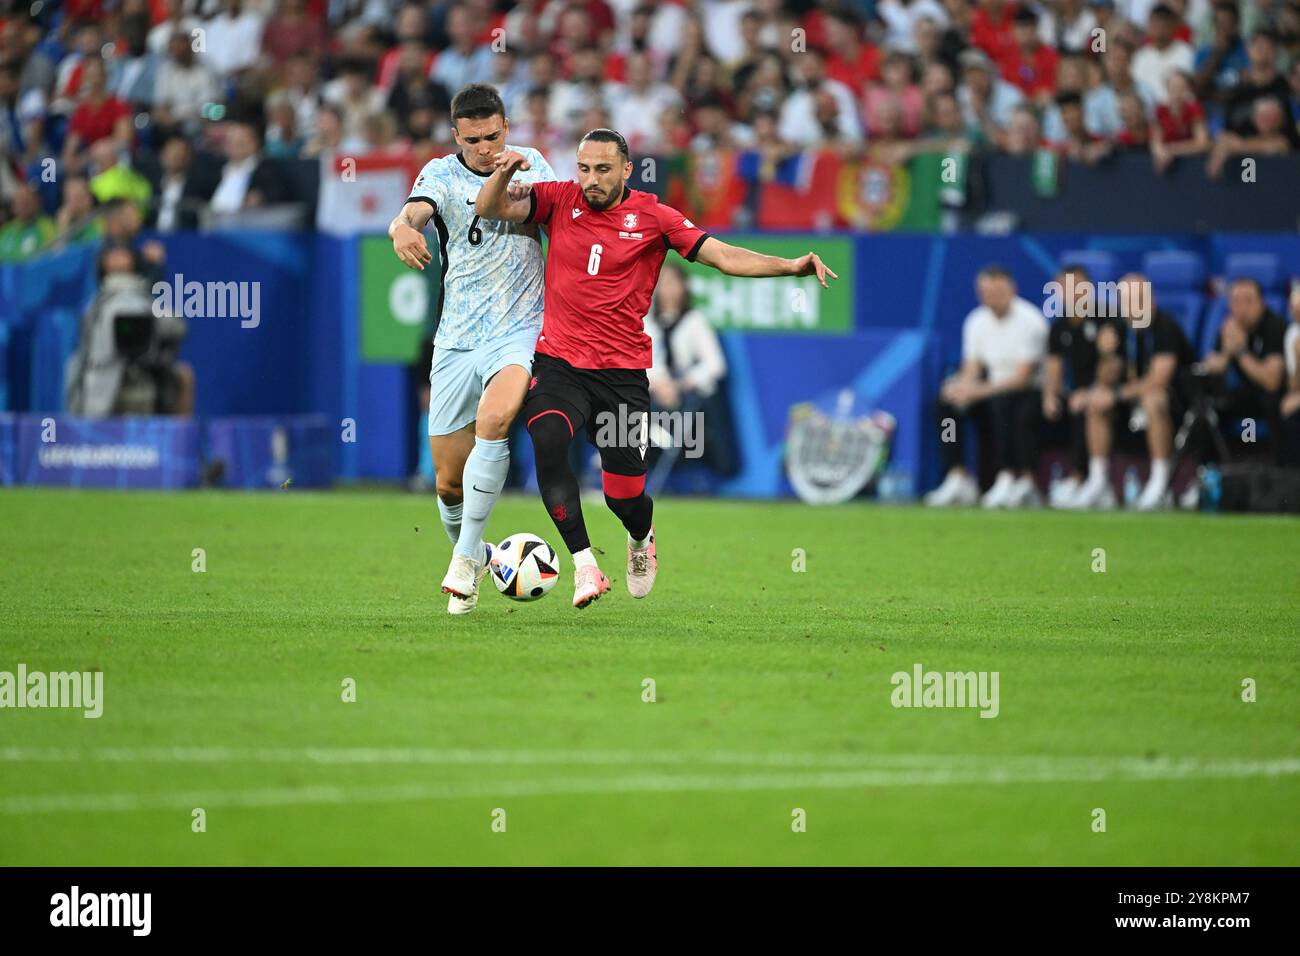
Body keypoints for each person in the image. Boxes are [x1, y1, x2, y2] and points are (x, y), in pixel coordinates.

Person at [475, 128, 837, 608]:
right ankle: (585, 566)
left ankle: (641, 539)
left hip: (621, 376)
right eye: (584, 168)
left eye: (603, 169)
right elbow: (489, 208)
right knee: (547, 440)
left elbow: (724, 256)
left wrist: (790, 267)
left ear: (627, 169)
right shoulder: (559, 200)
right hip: (560, 361)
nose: (591, 180)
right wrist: (501, 175)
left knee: (623, 496)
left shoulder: (654, 216)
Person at [388, 83, 557, 615]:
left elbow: (564, 218)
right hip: (457, 336)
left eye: (493, 135)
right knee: (447, 483)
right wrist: (399, 229)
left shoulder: (532, 166)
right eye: (473, 139)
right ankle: (478, 551)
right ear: (455, 135)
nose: (485, 147)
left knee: (497, 417)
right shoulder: (439, 173)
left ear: (506, 128)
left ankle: (463, 562)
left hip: (520, 327)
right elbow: (413, 213)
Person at [925, 266, 1048, 509]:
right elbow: (971, 367)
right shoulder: (976, 321)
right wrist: (960, 387)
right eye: (986, 292)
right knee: (947, 406)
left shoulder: (1031, 321)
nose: (992, 298)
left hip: (1026, 393)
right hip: (990, 390)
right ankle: (957, 474)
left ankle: (1007, 475)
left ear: (1013, 290)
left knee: (1002, 404)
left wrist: (978, 391)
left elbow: (1022, 378)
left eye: (998, 292)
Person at [1070, 274, 1194, 510]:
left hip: (1175, 405)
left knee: (1152, 400)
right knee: (1097, 399)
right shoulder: (1117, 327)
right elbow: (1106, 379)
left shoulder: (1166, 327)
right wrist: (1106, 355)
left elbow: (1159, 380)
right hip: (1130, 403)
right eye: (1126, 301)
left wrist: (1115, 396)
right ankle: (1099, 481)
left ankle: (1160, 482)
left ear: (1152, 300)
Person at [1041, 263, 1124, 507]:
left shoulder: (1108, 318)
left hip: (1110, 391)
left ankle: (1091, 479)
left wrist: (1092, 389)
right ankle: (1020, 478)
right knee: (1031, 407)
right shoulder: (1058, 328)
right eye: (1066, 288)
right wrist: (1049, 397)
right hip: (1077, 393)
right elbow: (1054, 371)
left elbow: (1114, 370)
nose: (1073, 294)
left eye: (1078, 288)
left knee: (1087, 405)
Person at [1200, 277, 1288, 461]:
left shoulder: (1275, 326)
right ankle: (1209, 472)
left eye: (1248, 301)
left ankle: (1282, 472)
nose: (1242, 308)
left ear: (1262, 303)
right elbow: (1211, 366)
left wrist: (1240, 352)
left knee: (1272, 402)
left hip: (1276, 394)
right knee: (1205, 407)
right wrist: (1226, 351)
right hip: (1245, 393)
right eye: (1236, 301)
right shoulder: (1230, 327)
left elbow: (1272, 382)